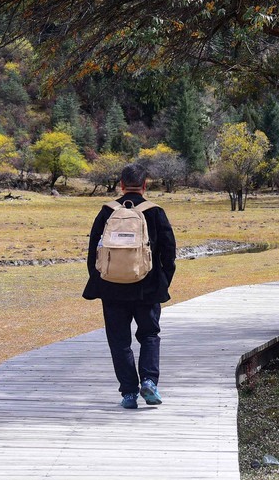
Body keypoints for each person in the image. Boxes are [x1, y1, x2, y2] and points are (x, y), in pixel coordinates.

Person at [83, 162, 177, 409]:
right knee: (149, 335)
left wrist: (100, 280)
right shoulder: (155, 212)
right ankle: (149, 381)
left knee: (119, 341)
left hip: (112, 288)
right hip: (147, 288)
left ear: (121, 185)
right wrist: (163, 281)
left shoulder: (107, 212)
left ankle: (128, 393)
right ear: (145, 185)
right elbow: (169, 253)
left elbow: (93, 252)